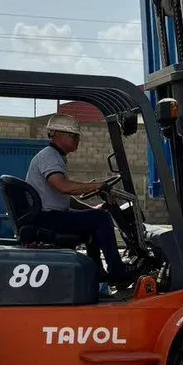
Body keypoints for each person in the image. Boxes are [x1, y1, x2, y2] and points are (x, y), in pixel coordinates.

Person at [25, 113, 129, 283]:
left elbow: (65, 198)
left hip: (49, 216)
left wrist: (90, 209)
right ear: (57, 134)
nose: (77, 140)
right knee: (101, 219)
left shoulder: (55, 157)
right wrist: (97, 186)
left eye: (77, 136)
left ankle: (97, 272)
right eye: (73, 135)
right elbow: (63, 186)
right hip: (48, 219)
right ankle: (118, 273)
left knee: (96, 218)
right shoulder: (49, 157)